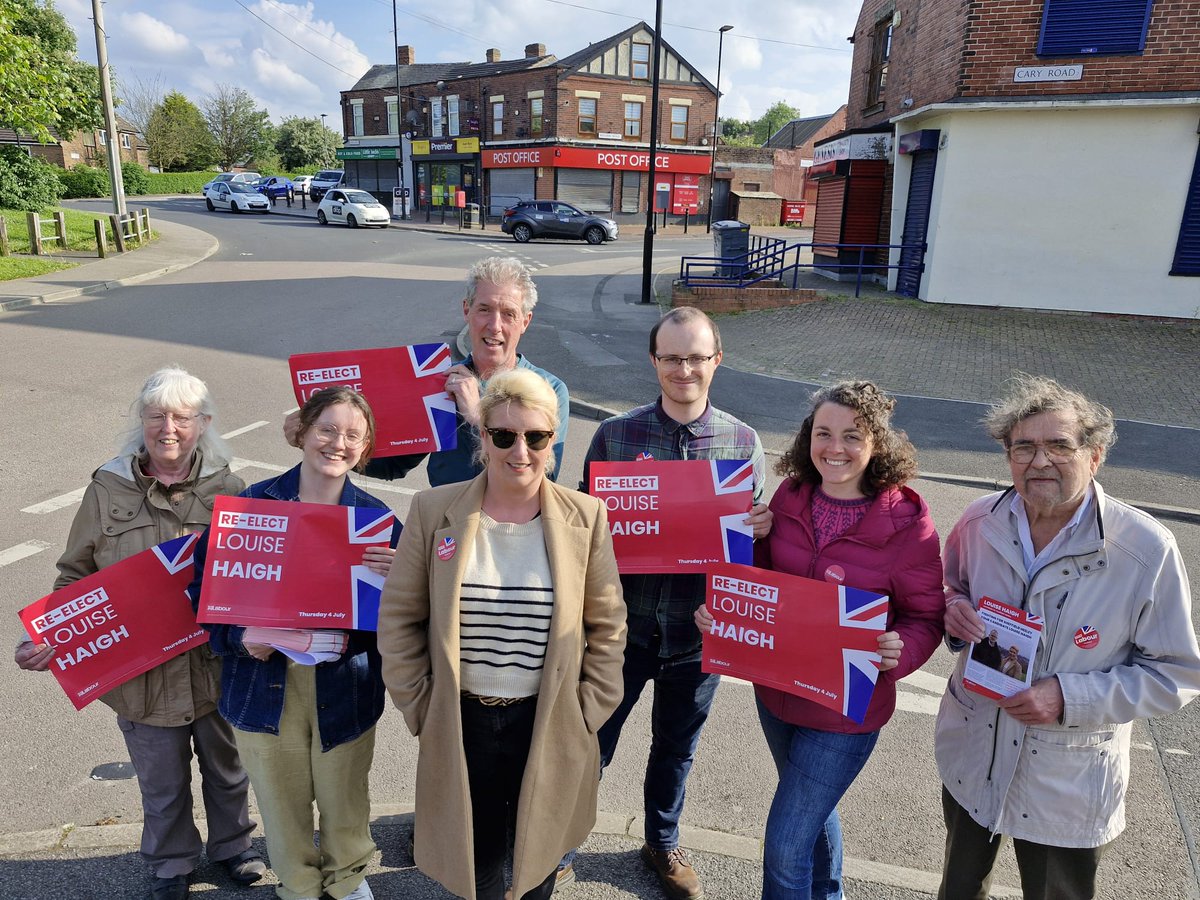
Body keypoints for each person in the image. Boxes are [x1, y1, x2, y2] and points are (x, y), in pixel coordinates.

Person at [936, 375, 1200, 900]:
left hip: (1066, 772)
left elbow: (1177, 672)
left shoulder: (1143, 549)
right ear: (1007, 455)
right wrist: (953, 610)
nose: (1039, 461)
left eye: (1059, 445)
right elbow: (950, 587)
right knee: (960, 887)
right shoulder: (978, 522)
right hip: (975, 750)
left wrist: (1068, 697)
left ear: (1095, 455)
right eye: (1024, 447)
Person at [14, 367, 264, 900]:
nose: (168, 428)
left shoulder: (232, 489)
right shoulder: (107, 488)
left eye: (181, 417)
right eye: (156, 415)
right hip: (142, 676)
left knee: (227, 768)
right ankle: (172, 862)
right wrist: (52, 634)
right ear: (142, 421)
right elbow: (75, 574)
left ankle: (234, 848)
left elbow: (254, 575)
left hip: (215, 668)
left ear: (204, 424)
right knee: (161, 781)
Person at [377, 368, 626, 900]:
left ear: (552, 440)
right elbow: (399, 617)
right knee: (478, 859)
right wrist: (418, 703)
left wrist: (590, 709)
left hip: (548, 717)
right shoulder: (433, 510)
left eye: (535, 437)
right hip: (462, 719)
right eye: (504, 435)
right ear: (483, 437)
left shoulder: (587, 516)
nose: (520, 450)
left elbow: (608, 625)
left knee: (537, 858)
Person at [696, 380, 946, 900]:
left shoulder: (908, 525)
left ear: (877, 443)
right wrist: (726, 606)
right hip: (779, 696)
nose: (835, 448)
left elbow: (926, 615)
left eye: (852, 436)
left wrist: (899, 649)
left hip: (844, 711)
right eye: (824, 433)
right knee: (811, 810)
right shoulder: (790, 496)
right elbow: (762, 583)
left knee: (786, 844)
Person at [569, 306, 771, 899]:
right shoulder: (616, 435)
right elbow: (589, 531)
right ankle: (563, 837)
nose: (684, 369)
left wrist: (757, 529)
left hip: (696, 634)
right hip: (622, 631)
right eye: (672, 357)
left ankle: (660, 841)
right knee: (591, 740)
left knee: (675, 750)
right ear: (654, 360)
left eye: (696, 357)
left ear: (717, 361)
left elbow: (749, 556)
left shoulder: (743, 441)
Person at [190, 388, 400, 900]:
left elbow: (404, 624)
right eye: (327, 428)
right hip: (262, 685)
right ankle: (299, 885)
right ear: (302, 431)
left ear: (366, 445)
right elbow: (204, 597)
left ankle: (348, 879)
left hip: (344, 687)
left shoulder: (378, 524)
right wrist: (244, 637)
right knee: (281, 800)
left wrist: (406, 581)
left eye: (353, 434)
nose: (338, 442)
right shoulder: (251, 508)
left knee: (345, 797)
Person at [283, 256, 569, 484]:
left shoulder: (548, 390)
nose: (494, 325)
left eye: (508, 314)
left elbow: (544, 478)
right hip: (445, 530)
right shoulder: (438, 382)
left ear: (525, 321)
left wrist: (476, 416)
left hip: (513, 533)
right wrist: (324, 442)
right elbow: (391, 465)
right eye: (484, 309)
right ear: (466, 310)